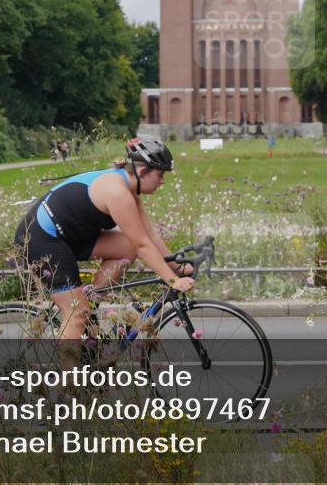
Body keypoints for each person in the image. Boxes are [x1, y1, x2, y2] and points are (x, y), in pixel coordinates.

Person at [14, 134, 195, 340]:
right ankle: (69, 371)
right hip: (40, 239)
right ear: (143, 171)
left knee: (127, 247)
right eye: (160, 175)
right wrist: (172, 280)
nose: (162, 182)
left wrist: (179, 268)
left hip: (69, 236)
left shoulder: (129, 189)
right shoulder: (117, 192)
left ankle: (92, 301)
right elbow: (143, 245)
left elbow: (149, 236)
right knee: (77, 313)